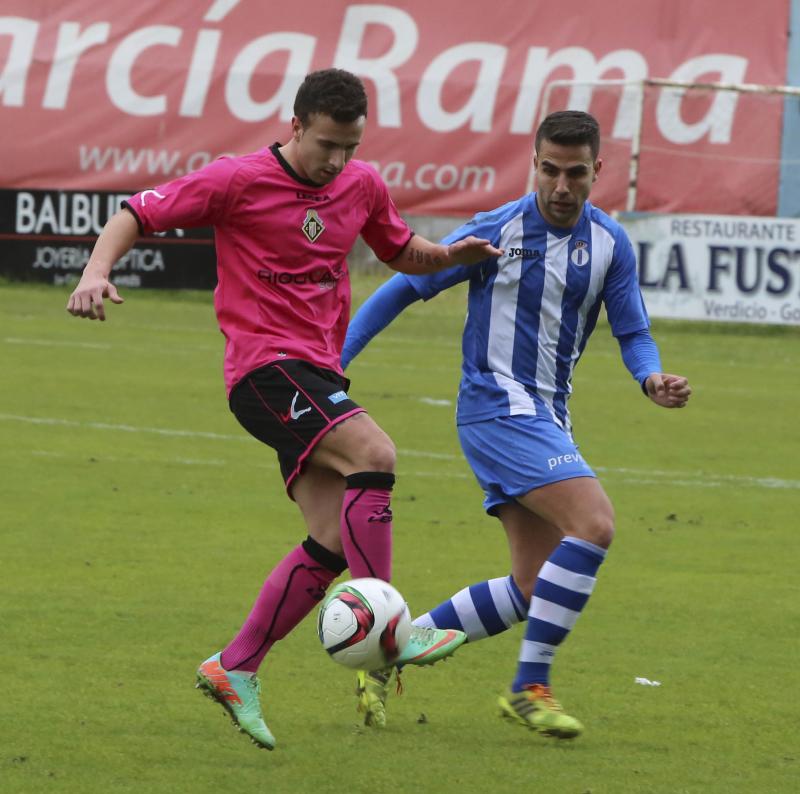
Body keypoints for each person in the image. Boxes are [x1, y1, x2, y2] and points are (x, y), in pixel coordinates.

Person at [66, 68, 503, 750]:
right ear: (295, 125)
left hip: (314, 373)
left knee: (331, 539)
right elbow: (137, 211)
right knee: (376, 454)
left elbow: (398, 249)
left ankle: (234, 665)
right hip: (265, 370)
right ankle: (391, 627)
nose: (336, 160)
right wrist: (97, 271)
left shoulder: (361, 185)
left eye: (349, 145)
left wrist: (448, 254)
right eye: (326, 143)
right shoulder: (238, 180)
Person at [342, 110, 692, 739]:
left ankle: (385, 652)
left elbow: (633, 330)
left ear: (597, 172)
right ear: (534, 163)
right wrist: (335, 360)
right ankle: (530, 688)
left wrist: (651, 377)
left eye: (576, 173)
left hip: (547, 415)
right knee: (594, 523)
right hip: (496, 406)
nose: (561, 186)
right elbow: (403, 288)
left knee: (534, 587)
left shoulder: (610, 243)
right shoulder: (497, 231)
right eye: (549, 170)